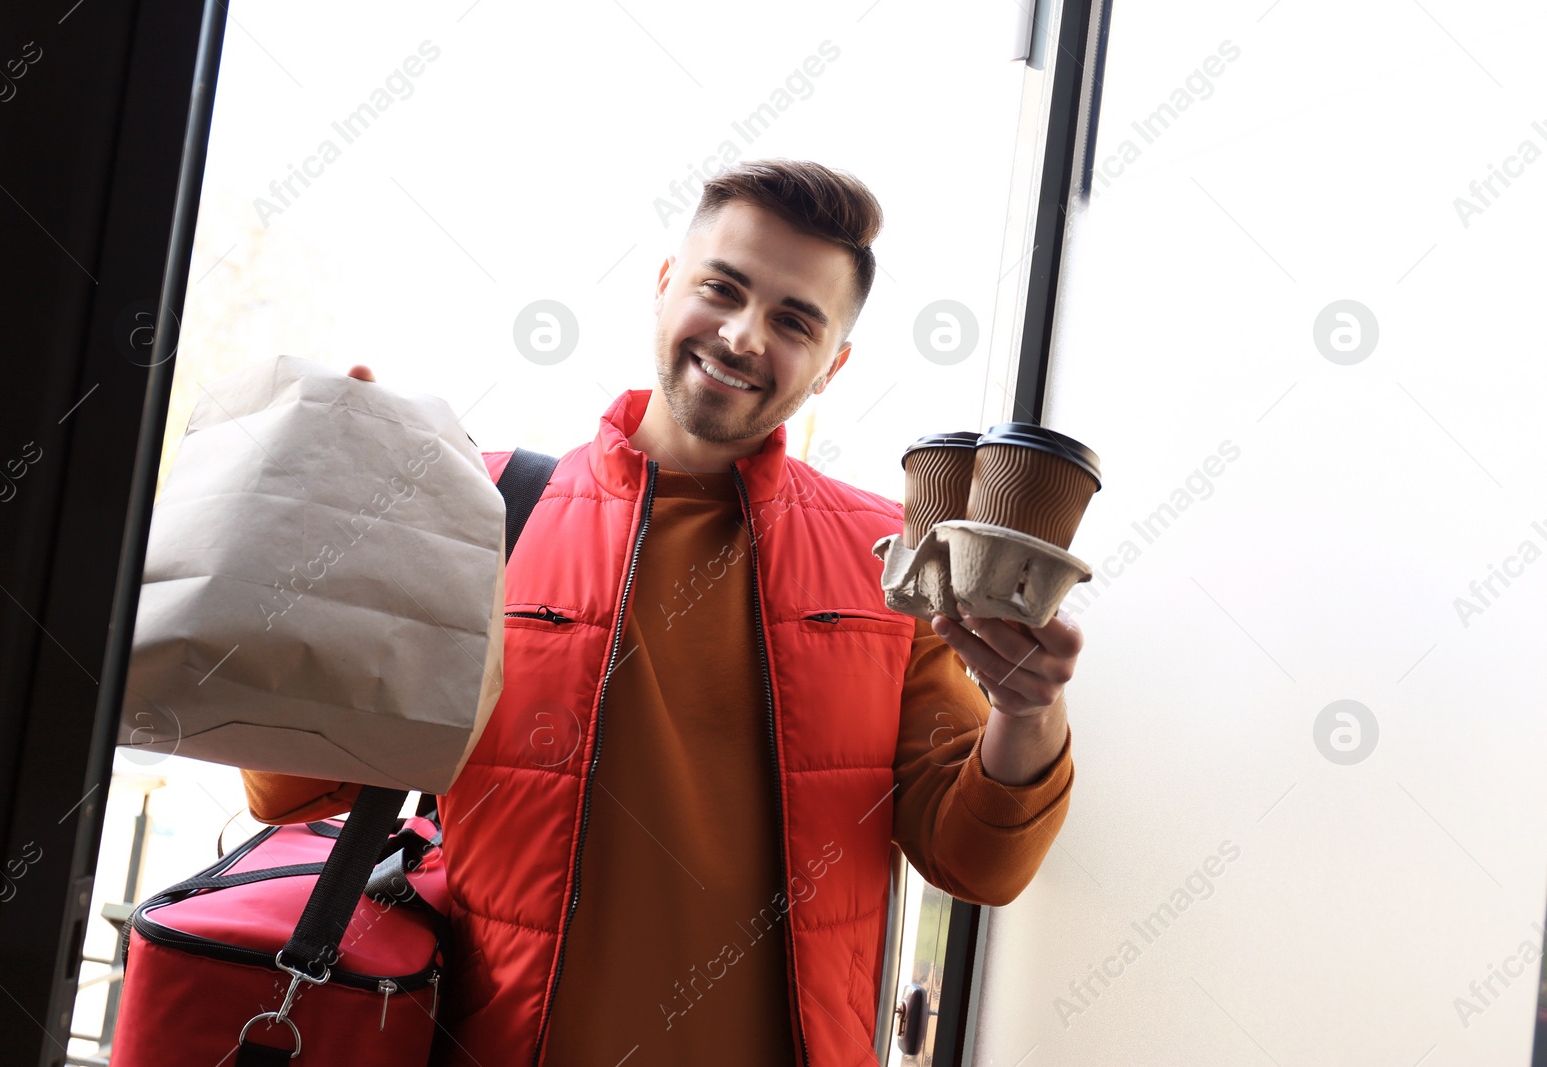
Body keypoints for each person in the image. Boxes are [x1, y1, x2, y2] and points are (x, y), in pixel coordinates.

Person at [241, 158, 1081, 1067]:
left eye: (795, 319)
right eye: (722, 287)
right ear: (663, 285)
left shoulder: (892, 560)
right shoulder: (482, 509)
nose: (744, 335)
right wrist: (330, 532)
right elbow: (290, 793)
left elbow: (975, 862)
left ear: (834, 364)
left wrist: (1027, 711)